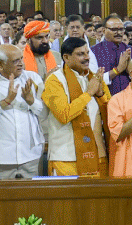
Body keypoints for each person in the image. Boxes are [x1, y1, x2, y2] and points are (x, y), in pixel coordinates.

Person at [0, 45, 45, 180]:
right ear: (0, 64)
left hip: (30, 157)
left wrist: (31, 102)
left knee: (32, 200)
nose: (21, 64)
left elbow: (43, 113)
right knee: (0, 201)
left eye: (21, 59)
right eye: (15, 61)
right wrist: (4, 103)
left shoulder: (32, 78)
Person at [42, 37, 111, 177]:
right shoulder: (55, 80)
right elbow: (64, 115)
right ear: (66, 57)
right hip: (66, 158)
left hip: (98, 156)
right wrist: (89, 94)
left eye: (87, 53)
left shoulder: (95, 78)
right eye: (81, 54)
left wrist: (100, 95)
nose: (87, 58)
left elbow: (111, 115)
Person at [91, 15, 132, 95]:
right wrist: (117, 70)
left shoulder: (130, 50)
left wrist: (129, 69)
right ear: (104, 30)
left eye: (121, 29)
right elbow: (93, 81)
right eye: (114, 30)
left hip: (128, 98)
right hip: (105, 98)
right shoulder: (94, 51)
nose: (119, 33)